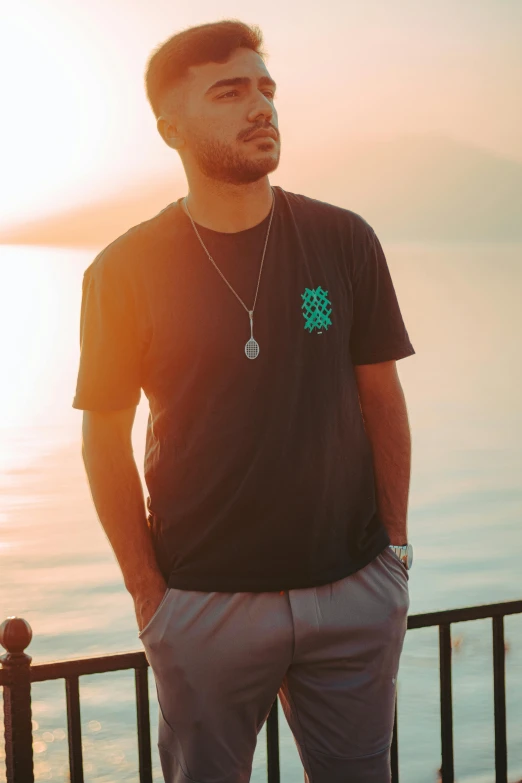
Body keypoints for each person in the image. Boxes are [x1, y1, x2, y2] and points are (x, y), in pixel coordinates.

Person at [72, 18, 415, 783]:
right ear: (170, 128)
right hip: (204, 604)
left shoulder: (342, 240)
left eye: (265, 87)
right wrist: (150, 598)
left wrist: (393, 554)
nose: (259, 105)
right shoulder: (123, 271)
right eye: (229, 92)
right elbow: (104, 440)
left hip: (353, 588)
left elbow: (381, 397)